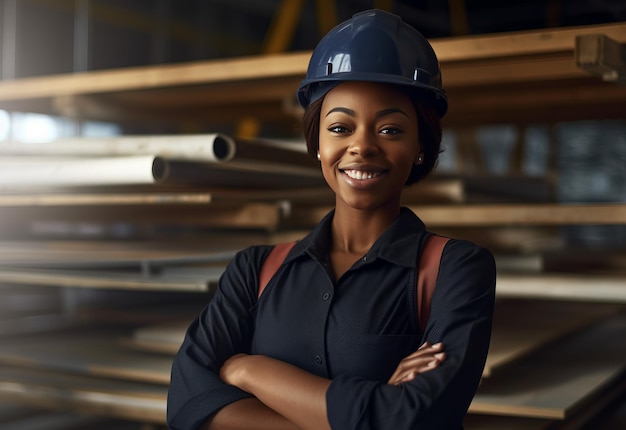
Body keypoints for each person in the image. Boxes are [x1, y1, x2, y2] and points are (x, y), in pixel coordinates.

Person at [167, 9, 495, 430]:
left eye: (391, 129)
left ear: (420, 146)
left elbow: (415, 420)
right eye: (340, 127)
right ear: (317, 144)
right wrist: (363, 413)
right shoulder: (255, 271)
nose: (362, 146)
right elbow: (186, 405)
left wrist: (249, 370)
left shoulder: (457, 269)